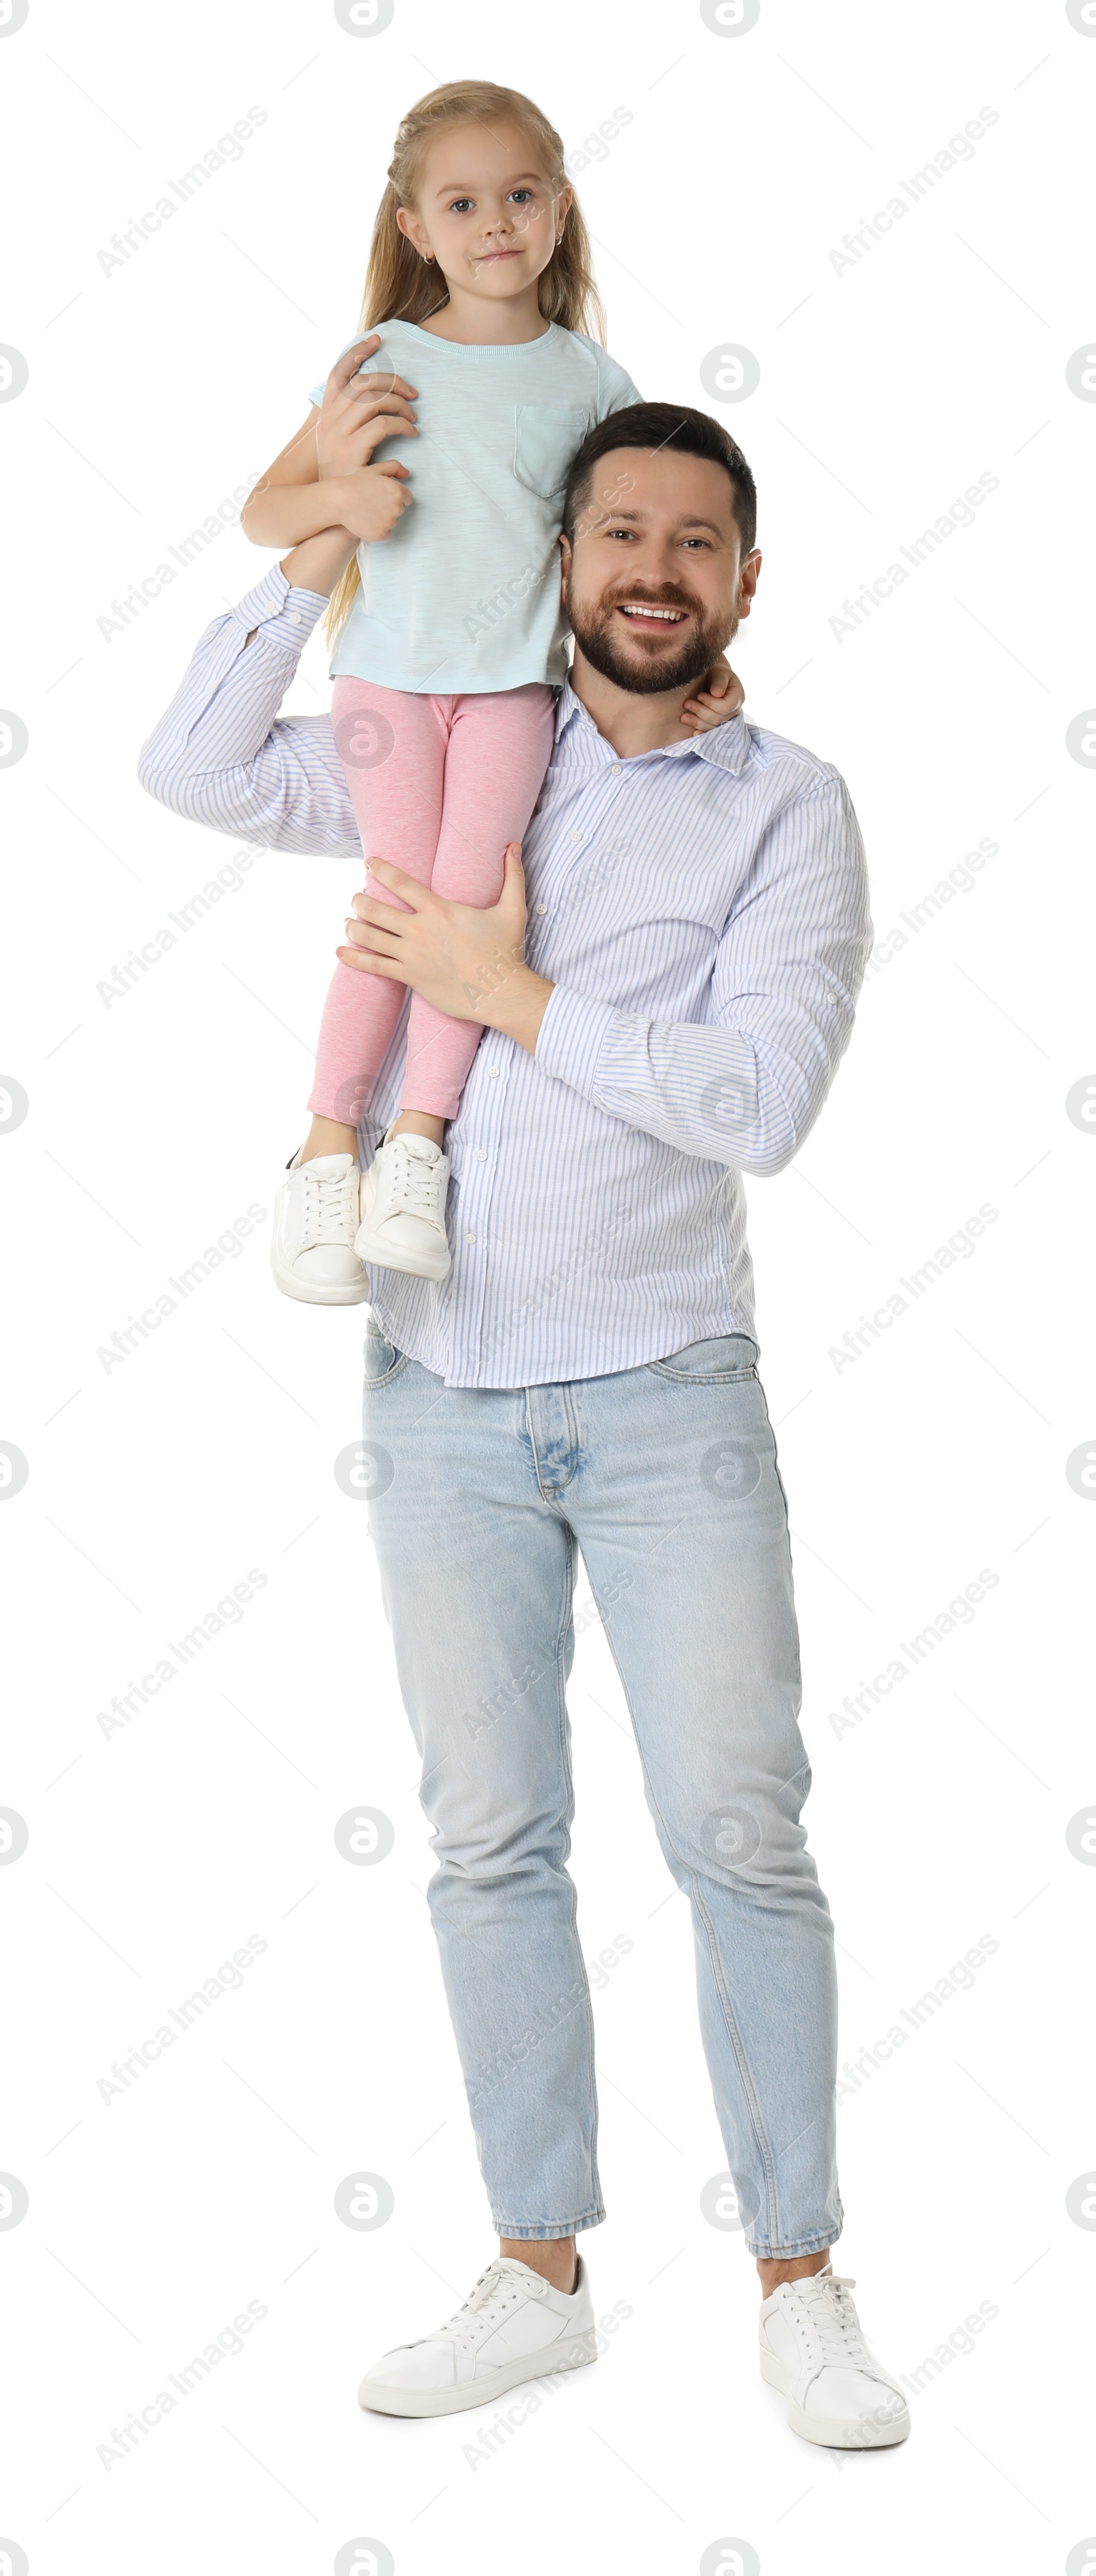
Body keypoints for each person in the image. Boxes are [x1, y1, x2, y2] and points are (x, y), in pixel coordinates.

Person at [140, 403, 912, 2451]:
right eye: (619, 530)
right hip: (442, 1388)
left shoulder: (790, 809)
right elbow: (196, 764)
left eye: (697, 539)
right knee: (492, 1843)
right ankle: (539, 2269)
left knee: (738, 1833)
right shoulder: (461, 742)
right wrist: (313, 508)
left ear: (748, 580)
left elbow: (763, 1103)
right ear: (563, 558)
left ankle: (803, 2281)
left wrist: (509, 982)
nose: (654, 567)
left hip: (671, 1396)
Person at [239, 79, 741, 1303]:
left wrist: (691, 661)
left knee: (469, 906)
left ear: (561, 211)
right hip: (385, 682)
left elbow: (628, 544)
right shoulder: (381, 361)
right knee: (402, 895)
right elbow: (264, 510)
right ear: (415, 229)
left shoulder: (593, 386)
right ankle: (322, 1153)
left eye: (520, 197)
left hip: (516, 689)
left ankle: (417, 1147)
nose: (495, 224)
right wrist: (345, 500)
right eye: (462, 203)